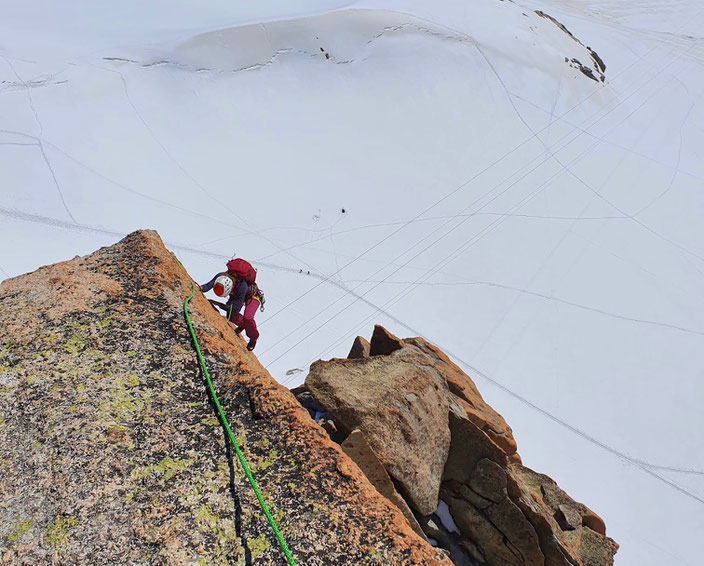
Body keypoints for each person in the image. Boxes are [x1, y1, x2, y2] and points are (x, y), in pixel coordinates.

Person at [199, 271, 261, 351]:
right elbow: (208, 285)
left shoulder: (242, 287)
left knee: (248, 318)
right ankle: (243, 325)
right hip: (236, 294)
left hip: (253, 296)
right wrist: (201, 288)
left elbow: (234, 309)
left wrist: (219, 304)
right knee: (231, 317)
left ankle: (253, 337)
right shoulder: (220, 277)